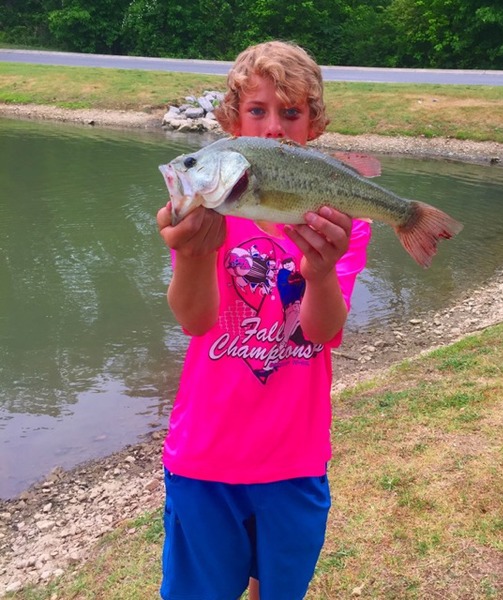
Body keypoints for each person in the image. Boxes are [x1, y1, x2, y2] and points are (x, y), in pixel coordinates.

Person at [156, 40, 371, 600]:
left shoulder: (337, 221)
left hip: (294, 456)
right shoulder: (208, 212)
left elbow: (321, 332)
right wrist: (194, 254)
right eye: (257, 110)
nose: (274, 127)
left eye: (291, 112)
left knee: (277, 589)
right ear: (232, 124)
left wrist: (320, 272)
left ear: (313, 125)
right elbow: (195, 321)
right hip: (205, 454)